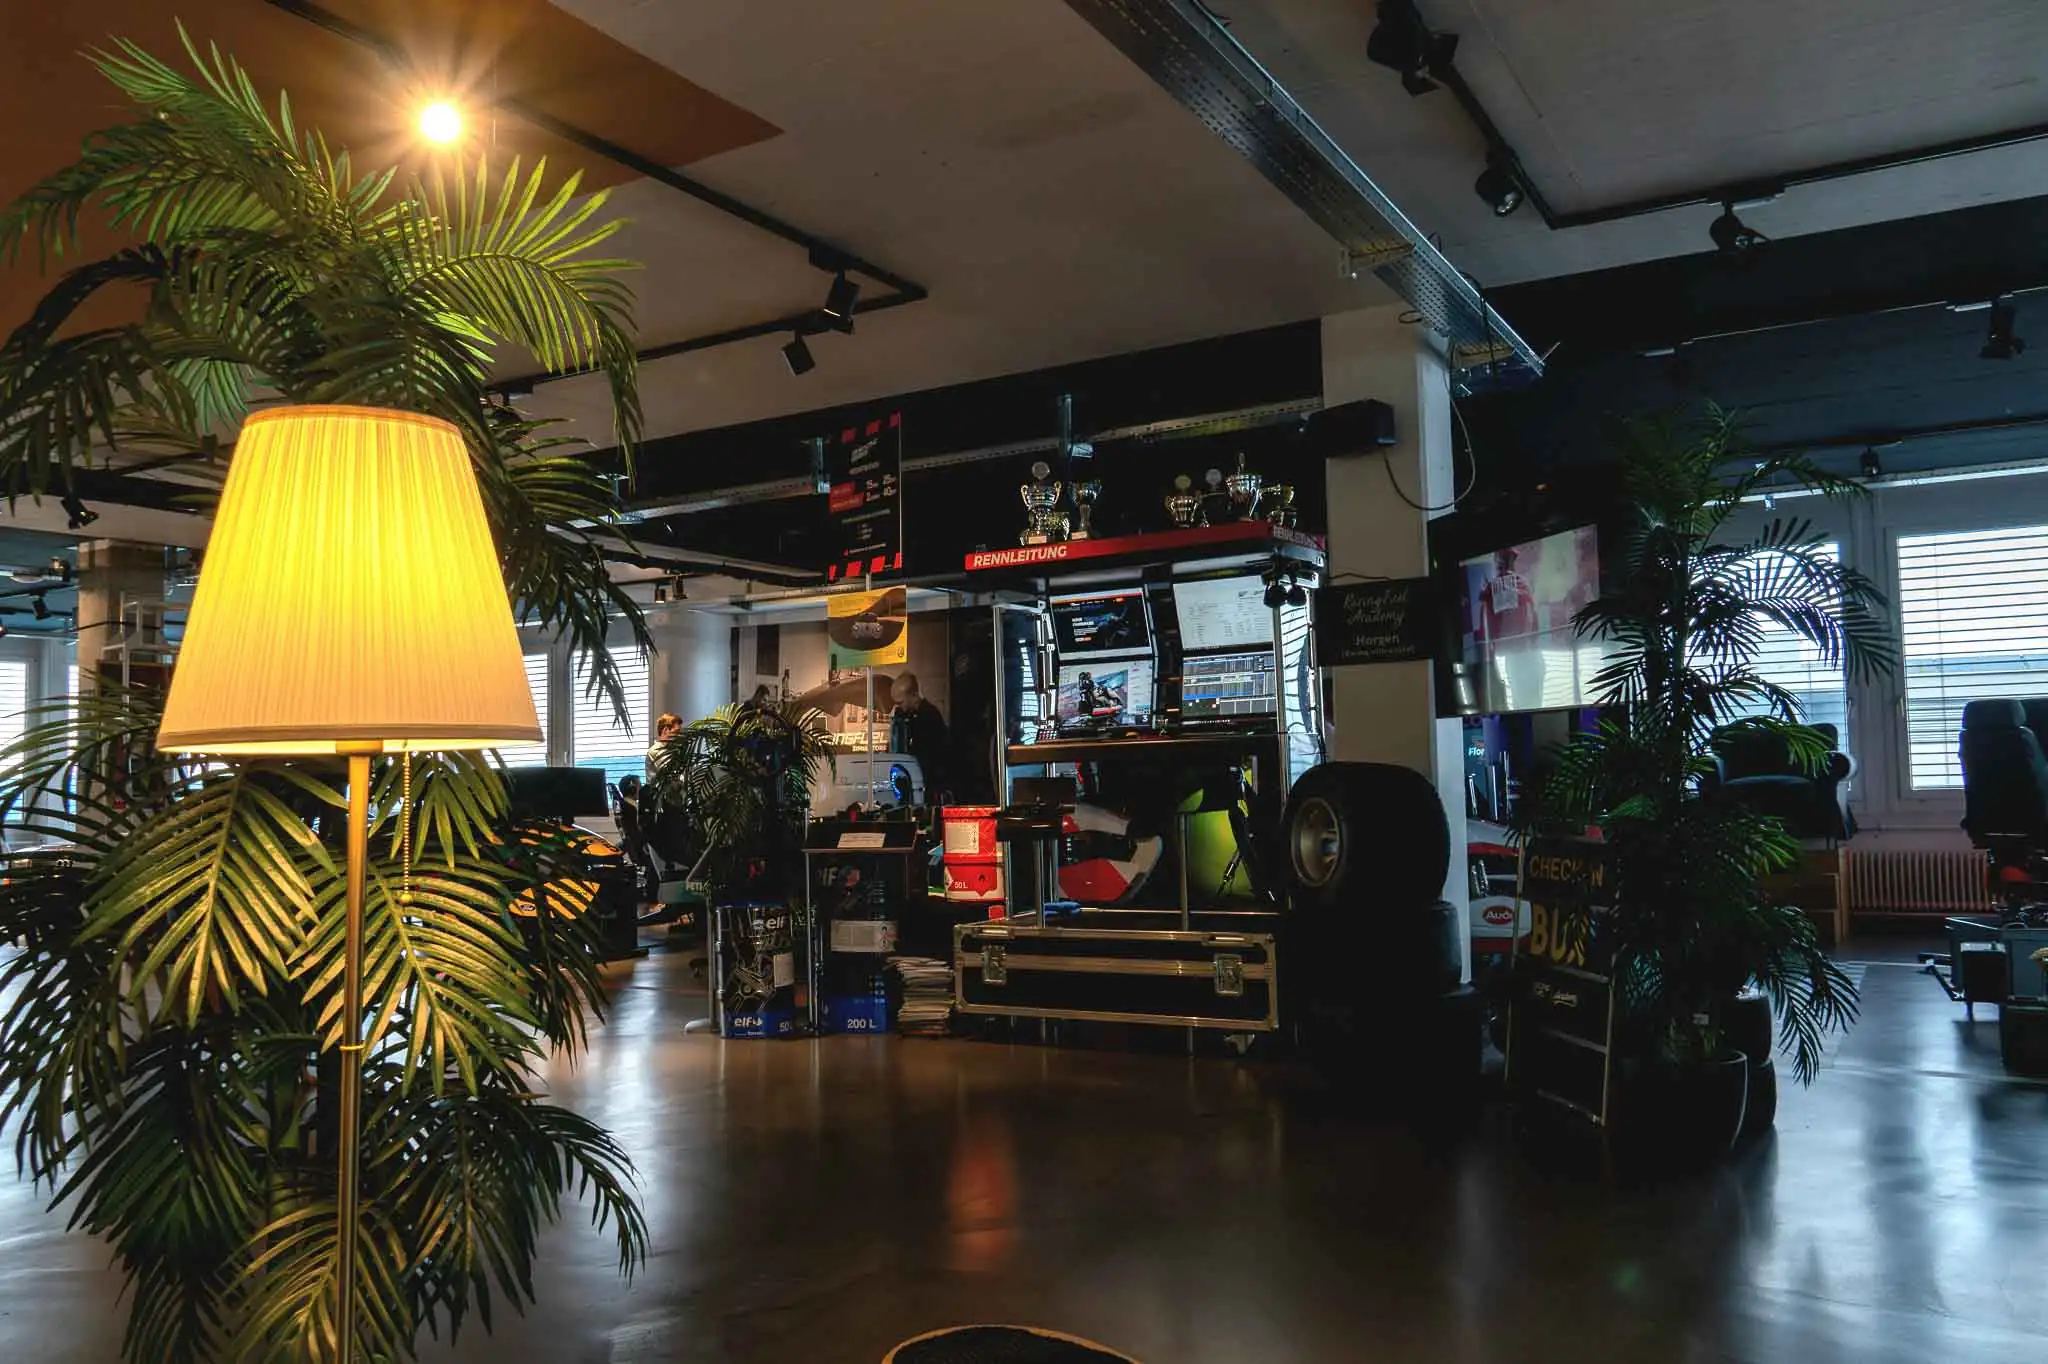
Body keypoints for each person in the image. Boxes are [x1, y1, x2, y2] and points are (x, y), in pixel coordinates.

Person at [888, 672, 949, 803]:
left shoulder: (928, 717)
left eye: (901, 702)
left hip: (930, 783)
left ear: (913, 695)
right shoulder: (913, 717)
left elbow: (931, 755)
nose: (900, 707)